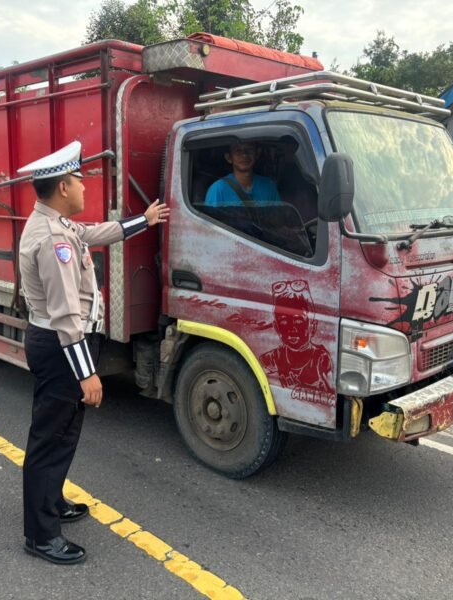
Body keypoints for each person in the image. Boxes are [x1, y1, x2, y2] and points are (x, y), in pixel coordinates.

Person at [17, 141, 169, 565]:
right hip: (62, 348)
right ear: (64, 185)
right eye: (81, 181)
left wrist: (145, 220)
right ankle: (40, 535)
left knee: (64, 433)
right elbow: (66, 315)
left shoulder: (60, 225)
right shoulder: (53, 240)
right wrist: (87, 373)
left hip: (64, 346)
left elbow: (97, 232)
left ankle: (52, 502)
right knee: (50, 439)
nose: (86, 188)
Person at [203, 142, 281, 207]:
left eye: (249, 150)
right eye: (238, 150)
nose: (244, 155)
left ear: (257, 154)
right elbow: (208, 224)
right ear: (229, 158)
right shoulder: (218, 190)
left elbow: (278, 220)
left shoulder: (269, 186)